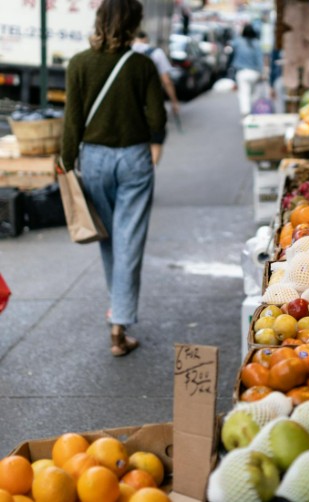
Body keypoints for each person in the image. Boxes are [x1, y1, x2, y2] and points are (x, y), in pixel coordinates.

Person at [60, 0, 167, 357]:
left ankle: (117, 315)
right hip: (134, 158)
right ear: (134, 25)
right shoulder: (142, 65)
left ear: (100, 20)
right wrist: (156, 145)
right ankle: (119, 325)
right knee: (128, 241)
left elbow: (72, 120)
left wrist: (65, 161)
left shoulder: (79, 63)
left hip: (93, 159)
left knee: (109, 240)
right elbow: (156, 117)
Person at [132, 30, 179, 165]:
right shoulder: (156, 53)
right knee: (156, 140)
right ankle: (149, 169)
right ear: (145, 38)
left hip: (130, 105)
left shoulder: (125, 52)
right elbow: (167, 81)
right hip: (150, 104)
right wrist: (174, 102)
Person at [230, 24, 264, 116]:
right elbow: (260, 60)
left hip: (242, 72)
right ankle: (252, 112)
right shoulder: (257, 43)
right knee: (252, 94)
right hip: (254, 73)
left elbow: (231, 49)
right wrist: (262, 72)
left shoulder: (238, 42)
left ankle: (246, 113)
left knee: (244, 94)